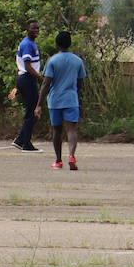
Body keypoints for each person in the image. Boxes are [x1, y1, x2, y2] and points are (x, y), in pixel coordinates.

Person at [35, 30, 86, 170]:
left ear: (57, 44)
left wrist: (38, 104)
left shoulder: (52, 61)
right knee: (71, 129)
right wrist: (75, 94)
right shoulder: (78, 61)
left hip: (55, 100)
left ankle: (58, 161)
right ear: (70, 44)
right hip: (71, 100)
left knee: (57, 130)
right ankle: (71, 156)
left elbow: (46, 84)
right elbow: (81, 82)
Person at [10, 20, 43, 152]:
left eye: (37, 28)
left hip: (26, 79)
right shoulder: (28, 44)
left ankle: (20, 140)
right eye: (33, 28)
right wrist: (40, 78)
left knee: (32, 111)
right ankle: (26, 143)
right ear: (27, 29)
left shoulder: (30, 43)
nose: (36, 30)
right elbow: (27, 66)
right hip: (27, 79)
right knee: (32, 111)